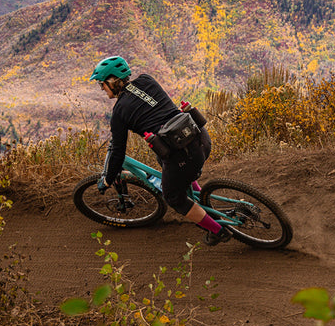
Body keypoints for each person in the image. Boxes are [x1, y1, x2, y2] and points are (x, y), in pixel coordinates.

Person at [89, 55, 231, 246]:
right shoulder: (147, 80)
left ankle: (218, 231)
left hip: (185, 156)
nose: (101, 88)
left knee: (173, 197)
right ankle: (198, 199)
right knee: (163, 159)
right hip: (200, 137)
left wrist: (107, 179)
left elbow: (118, 151)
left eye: (102, 84)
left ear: (113, 81)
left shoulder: (119, 112)